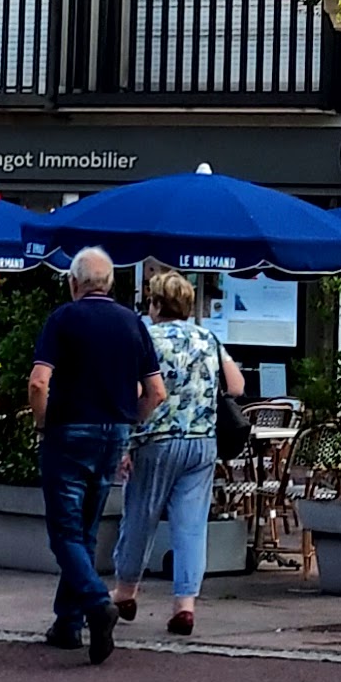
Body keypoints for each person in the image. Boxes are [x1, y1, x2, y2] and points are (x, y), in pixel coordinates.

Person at [24, 249, 162, 663]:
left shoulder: (63, 319)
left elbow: (38, 382)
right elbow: (156, 392)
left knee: (64, 532)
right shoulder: (133, 323)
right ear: (111, 284)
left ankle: (97, 603)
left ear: (74, 282)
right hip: (113, 431)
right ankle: (68, 623)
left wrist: (42, 422)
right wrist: (129, 421)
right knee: (85, 529)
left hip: (69, 431)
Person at [110, 269, 241, 640]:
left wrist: (124, 443)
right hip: (202, 442)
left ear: (155, 304)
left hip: (155, 440)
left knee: (140, 517)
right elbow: (236, 385)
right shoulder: (207, 337)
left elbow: (133, 392)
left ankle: (126, 592)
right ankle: (185, 605)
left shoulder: (144, 337)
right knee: (191, 526)